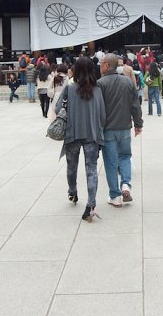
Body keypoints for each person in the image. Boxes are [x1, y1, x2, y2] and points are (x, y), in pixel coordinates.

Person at [56, 56, 106, 222]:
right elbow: (102, 116)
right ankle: (91, 204)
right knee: (91, 169)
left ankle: (73, 191)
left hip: (73, 134)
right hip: (92, 135)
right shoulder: (98, 90)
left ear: (75, 71)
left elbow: (58, 108)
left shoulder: (70, 89)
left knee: (72, 166)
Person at [98, 54, 143, 207]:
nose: (99, 66)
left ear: (106, 65)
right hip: (125, 126)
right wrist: (138, 123)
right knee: (125, 156)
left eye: (101, 63)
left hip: (108, 129)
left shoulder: (100, 84)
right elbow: (135, 104)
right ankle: (126, 184)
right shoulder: (127, 82)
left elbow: (97, 109)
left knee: (110, 162)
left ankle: (115, 196)